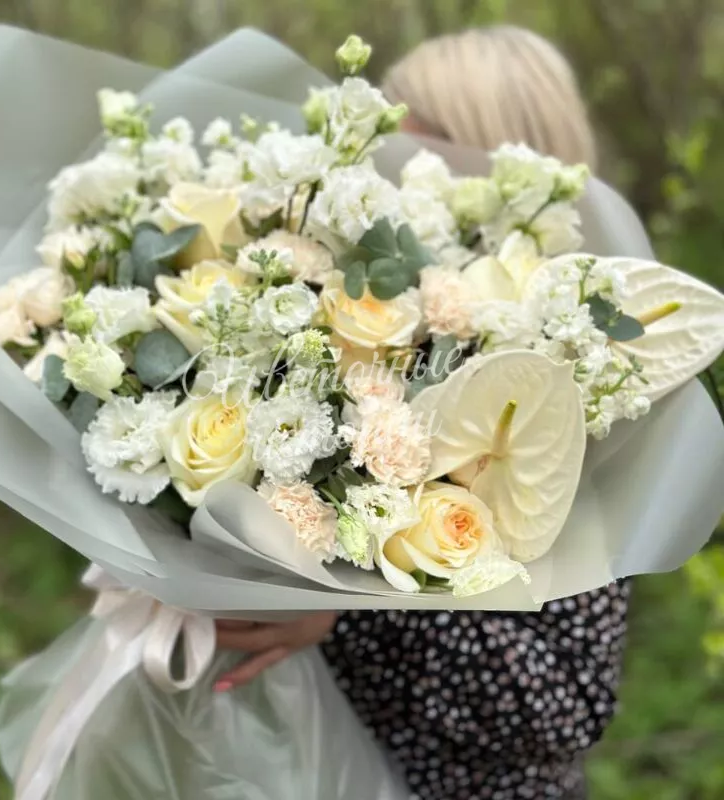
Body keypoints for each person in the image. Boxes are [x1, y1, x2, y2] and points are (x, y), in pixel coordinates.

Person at [214, 25, 629, 800]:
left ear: (498, 162)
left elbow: (564, 705)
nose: (387, 165)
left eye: (417, 142)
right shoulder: (343, 319)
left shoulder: (569, 377)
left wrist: (350, 611)